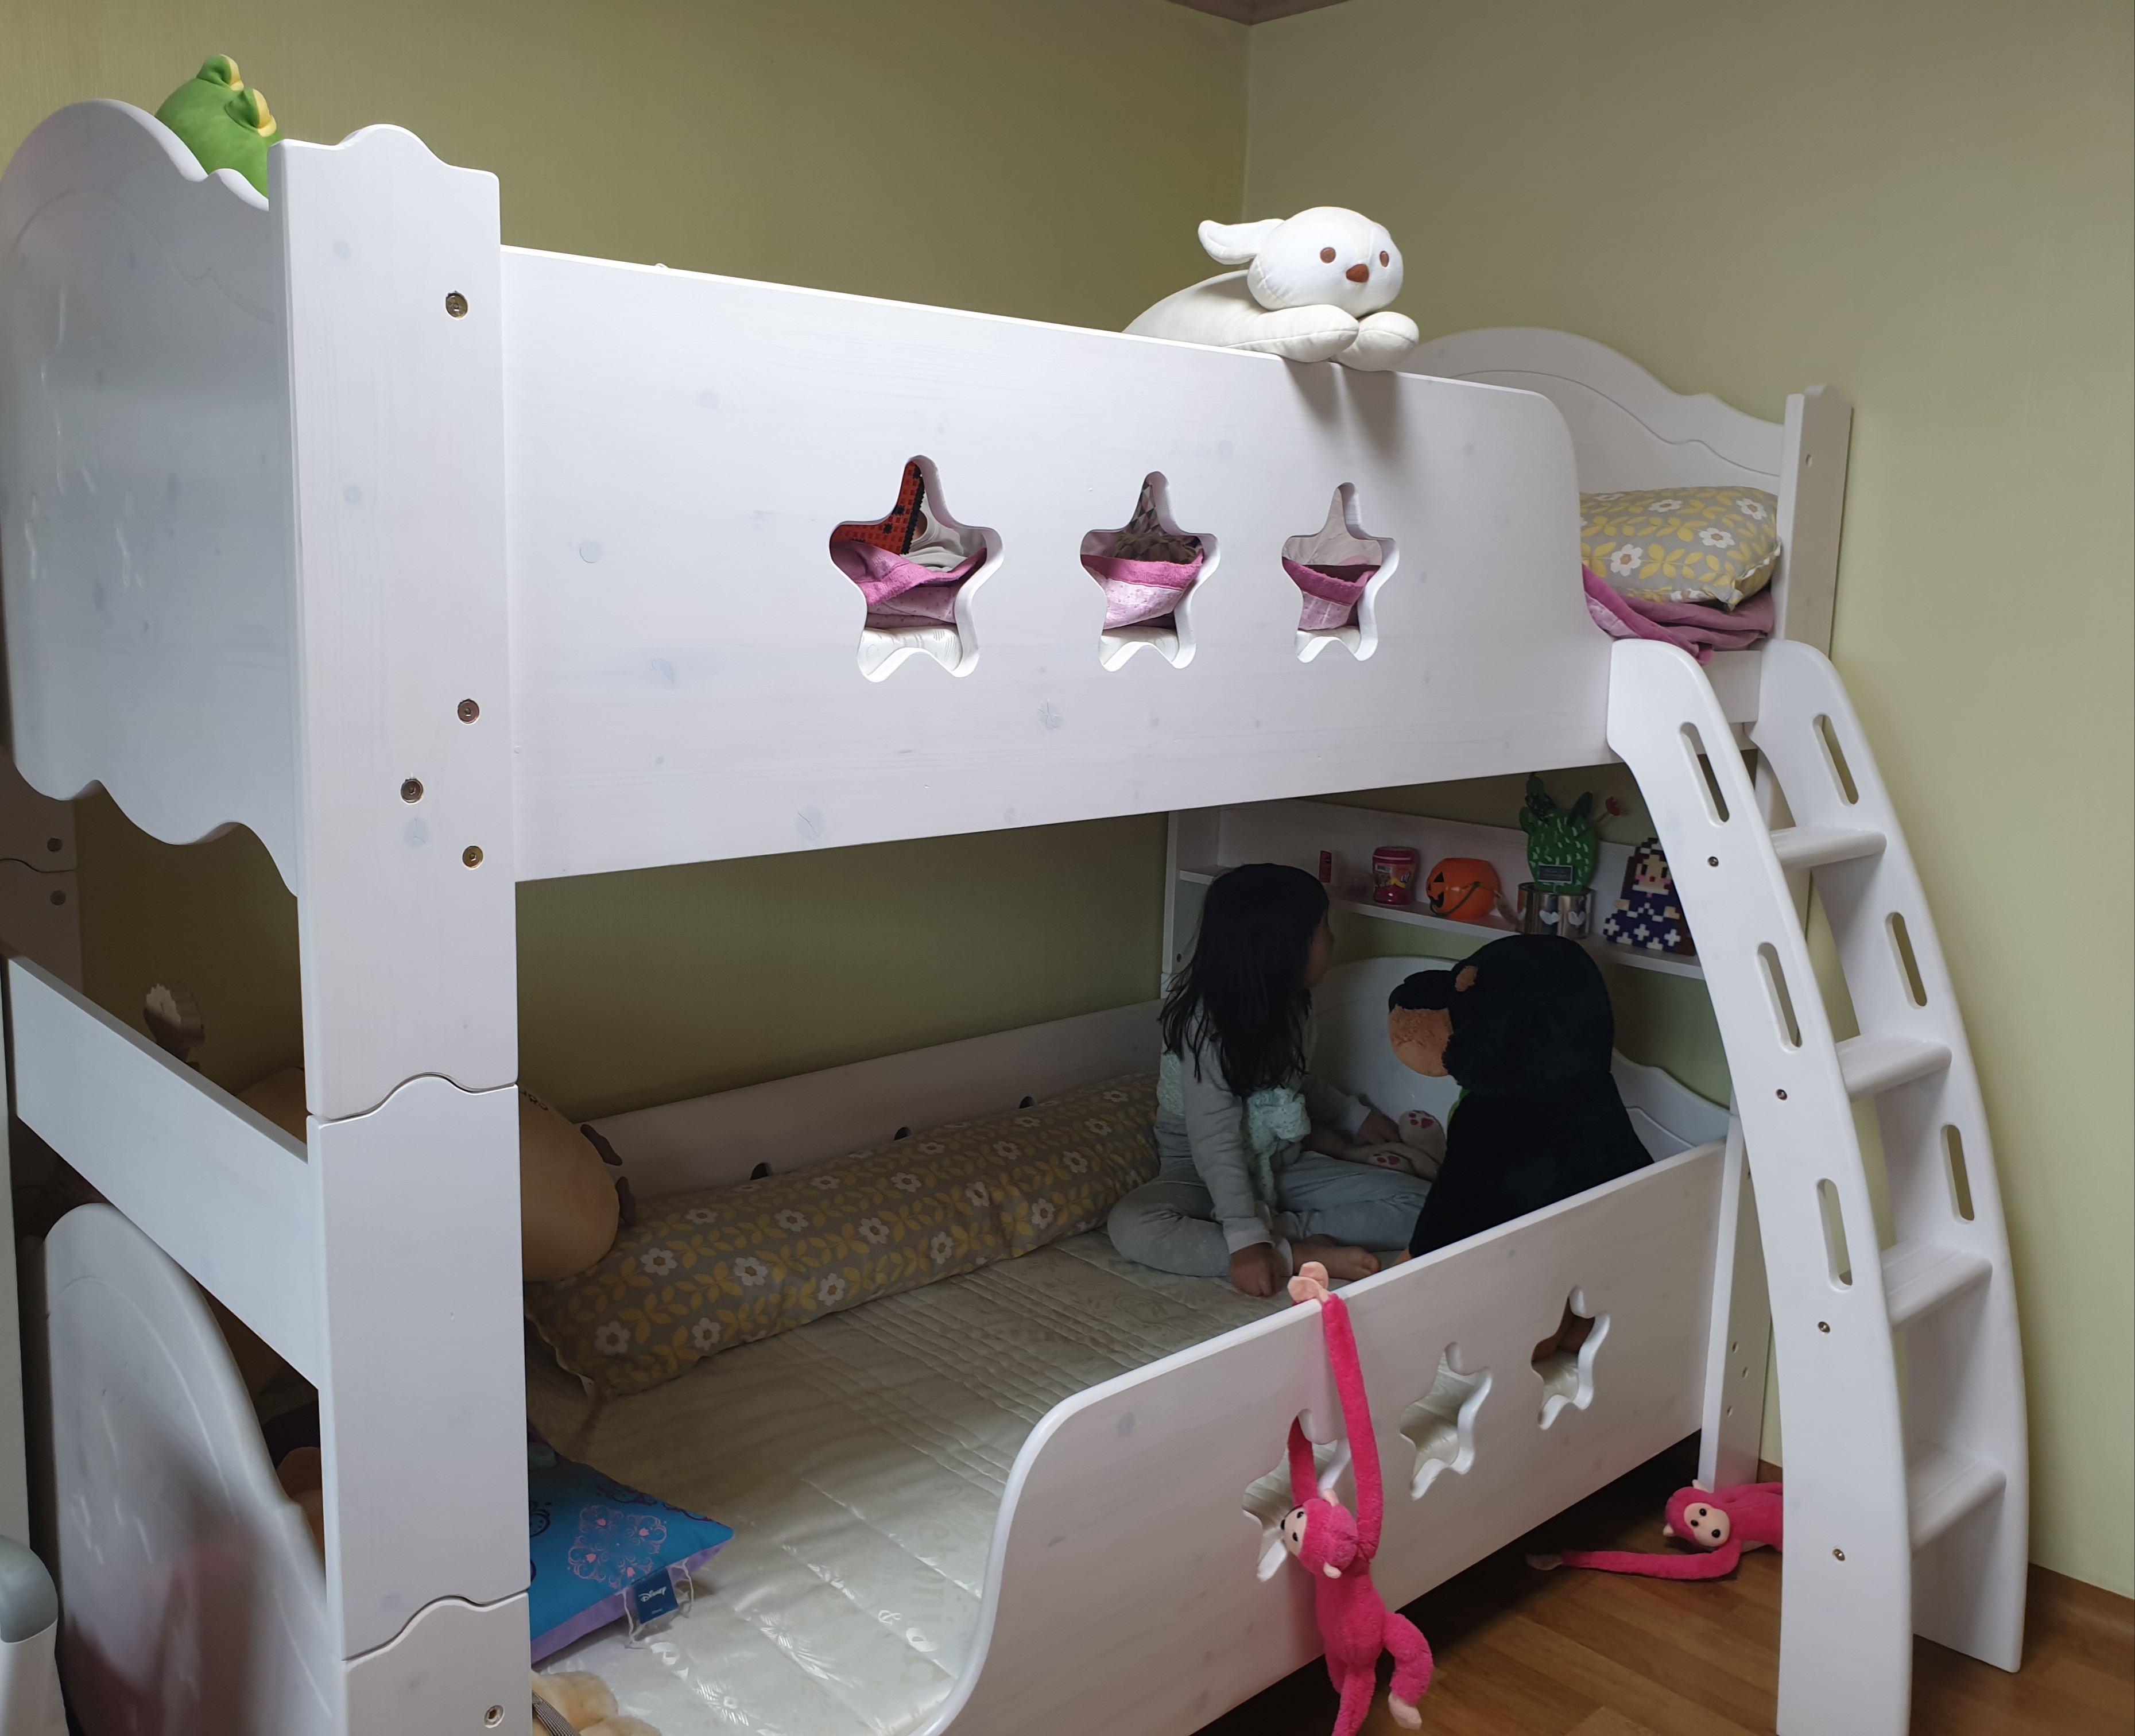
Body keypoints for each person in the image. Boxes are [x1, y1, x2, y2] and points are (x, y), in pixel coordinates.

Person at [1108, 863, 1431, 1297]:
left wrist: (1353, 1115)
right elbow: (1213, 1140)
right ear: (1283, 950)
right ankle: (1288, 1253)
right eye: (1324, 933)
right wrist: (1245, 1240)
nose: (1333, 942)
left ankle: (1276, 1234)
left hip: (1281, 1163)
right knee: (1132, 1226)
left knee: (1425, 1206)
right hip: (1201, 1173)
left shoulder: (1291, 1007)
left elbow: (1294, 1082)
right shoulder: (1204, 1028)